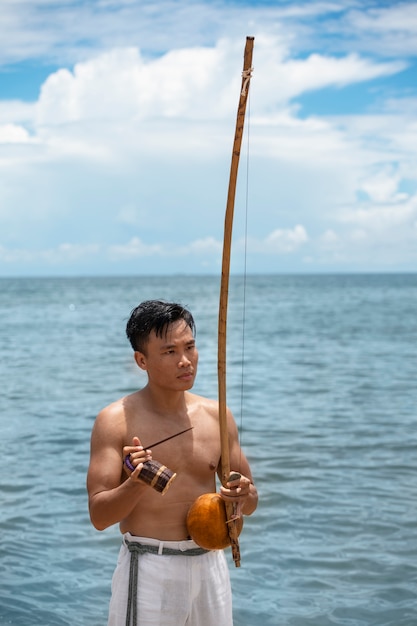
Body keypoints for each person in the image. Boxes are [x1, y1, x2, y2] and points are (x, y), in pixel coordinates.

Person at [87, 300, 258, 626]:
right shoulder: (115, 421)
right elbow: (99, 516)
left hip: (211, 565)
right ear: (142, 360)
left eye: (190, 347)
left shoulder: (216, 416)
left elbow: (250, 502)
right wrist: (136, 482)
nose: (185, 361)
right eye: (169, 352)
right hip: (151, 566)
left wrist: (243, 494)